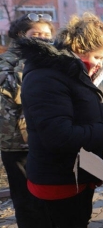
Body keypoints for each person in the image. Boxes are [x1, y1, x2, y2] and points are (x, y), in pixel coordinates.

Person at [14, 12, 103, 228]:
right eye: (97, 57)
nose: (99, 64)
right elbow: (59, 135)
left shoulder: (69, 70)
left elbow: (83, 105)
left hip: (76, 177)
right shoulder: (46, 77)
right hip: (56, 184)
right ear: (80, 49)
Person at [0, 13, 55, 228]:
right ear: (22, 35)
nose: (43, 39)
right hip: (18, 140)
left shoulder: (36, 58)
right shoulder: (15, 61)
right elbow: (21, 97)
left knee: (33, 192)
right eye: (37, 34)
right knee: (26, 196)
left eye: (47, 34)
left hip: (29, 138)